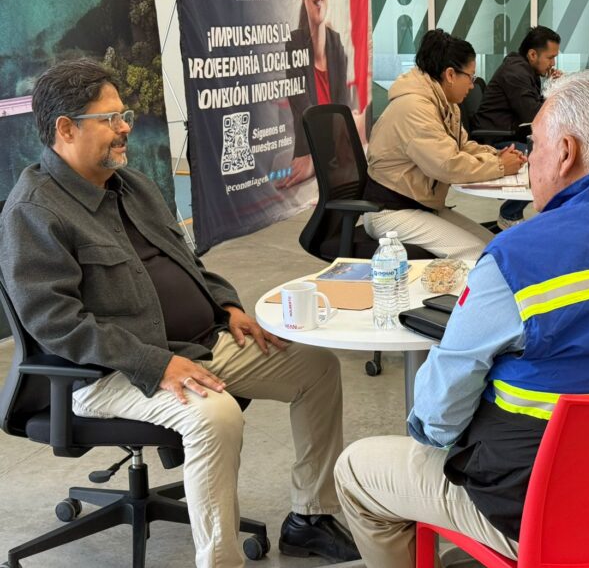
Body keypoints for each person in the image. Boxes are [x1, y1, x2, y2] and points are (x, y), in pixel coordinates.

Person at [335, 70, 589, 567]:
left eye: (535, 145)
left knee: (357, 471)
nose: (530, 160)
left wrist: (435, 435)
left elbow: (438, 415)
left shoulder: (516, 262)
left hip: (544, 516)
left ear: (567, 152)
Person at [0, 59, 360, 567]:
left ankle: (310, 518)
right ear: (65, 129)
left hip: (198, 345)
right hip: (112, 373)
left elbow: (188, 262)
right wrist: (157, 364)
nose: (125, 126)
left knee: (315, 367)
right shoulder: (34, 210)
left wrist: (227, 305)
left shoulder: (132, 185)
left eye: (123, 113)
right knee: (216, 416)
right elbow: (56, 323)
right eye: (110, 118)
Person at [362, 29, 526, 261]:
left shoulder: (443, 104)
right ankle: (463, 297)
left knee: (493, 246)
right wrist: (500, 166)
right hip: (390, 212)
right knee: (478, 255)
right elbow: (447, 165)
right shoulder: (415, 108)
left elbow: (461, 146)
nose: (472, 85)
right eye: (470, 76)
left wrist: (496, 154)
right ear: (450, 74)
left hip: (419, 204)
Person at [276, 0, 366, 190]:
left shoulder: (337, 45)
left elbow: (351, 123)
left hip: (337, 172)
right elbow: (312, 125)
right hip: (308, 183)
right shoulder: (291, 48)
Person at [472, 25, 562, 229]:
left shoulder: (523, 69)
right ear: (532, 54)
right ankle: (509, 214)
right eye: (550, 57)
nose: (553, 63)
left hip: (512, 131)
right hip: (497, 138)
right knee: (547, 163)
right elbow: (534, 116)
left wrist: (550, 85)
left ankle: (513, 213)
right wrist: (558, 91)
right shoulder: (517, 73)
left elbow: (534, 105)